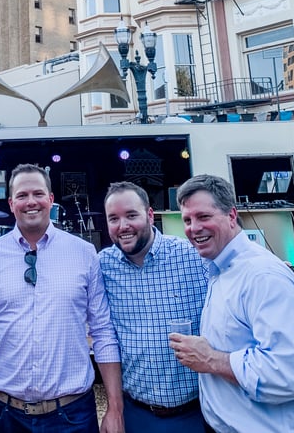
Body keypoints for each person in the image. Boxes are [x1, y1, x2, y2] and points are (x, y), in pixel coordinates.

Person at [171, 174, 294, 433]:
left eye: (204, 217)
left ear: (232, 215)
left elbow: (288, 374)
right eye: (187, 220)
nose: (193, 228)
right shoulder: (222, 269)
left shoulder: (263, 276)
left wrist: (210, 359)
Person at [0, 163, 124, 433]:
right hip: (7, 415)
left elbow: (103, 332)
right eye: (22, 196)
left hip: (72, 414)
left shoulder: (84, 253)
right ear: (11, 202)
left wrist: (115, 408)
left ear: (50, 199)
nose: (31, 202)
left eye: (38, 194)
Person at [99, 181, 209, 432]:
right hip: (137, 414)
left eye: (131, 215)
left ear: (150, 215)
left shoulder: (192, 256)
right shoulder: (103, 266)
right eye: (113, 218)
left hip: (196, 411)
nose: (123, 226)